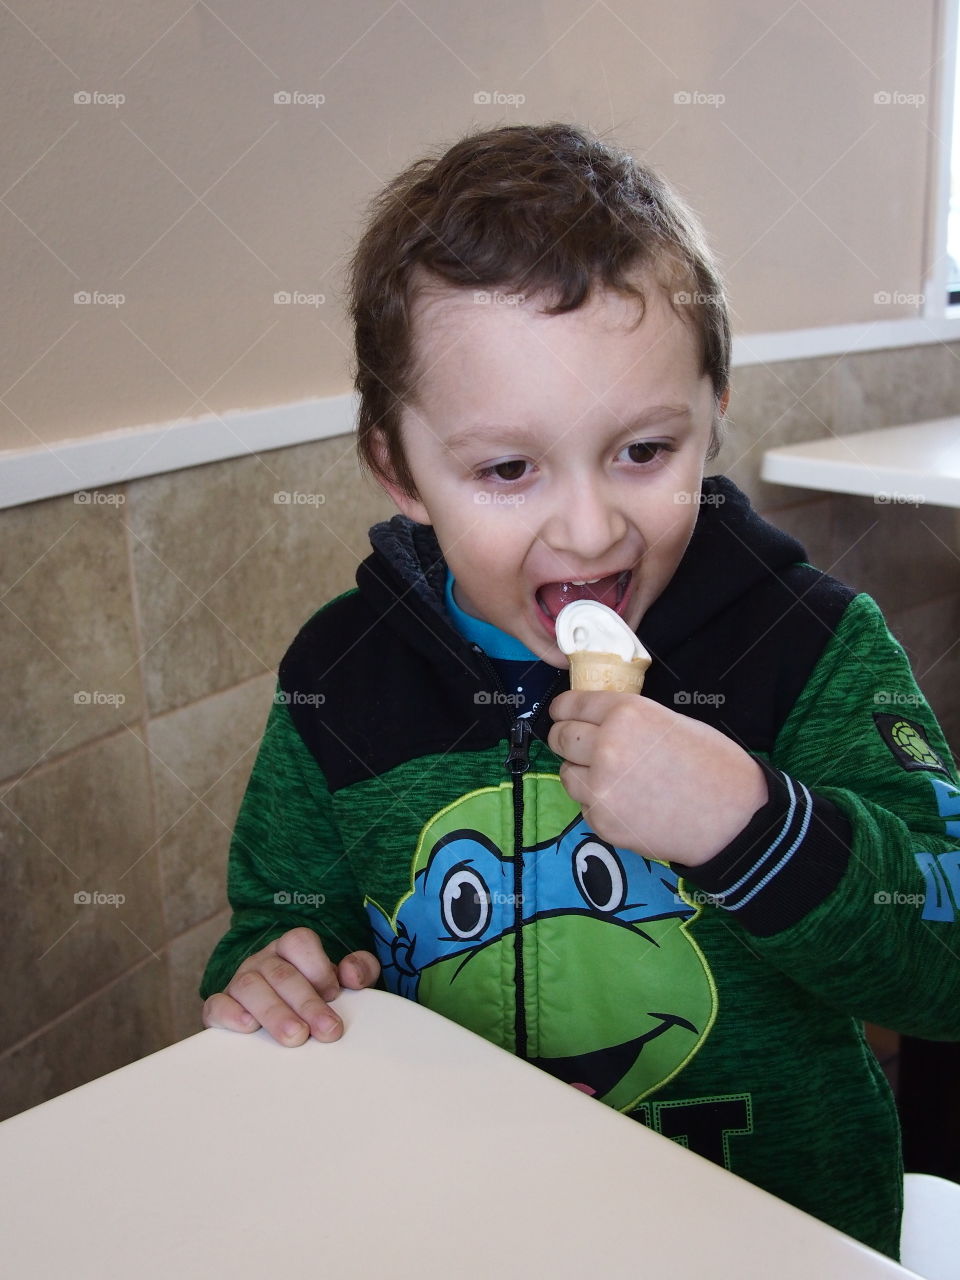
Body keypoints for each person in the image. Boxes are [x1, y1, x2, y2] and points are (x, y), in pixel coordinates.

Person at [200, 121, 960, 1259]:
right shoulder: (339, 680)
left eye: (644, 450)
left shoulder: (811, 647)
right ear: (398, 468)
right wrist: (277, 973)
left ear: (714, 409)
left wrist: (757, 827)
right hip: (462, 1225)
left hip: (774, 1237)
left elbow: (944, 959)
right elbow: (277, 922)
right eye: (509, 468)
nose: (592, 527)